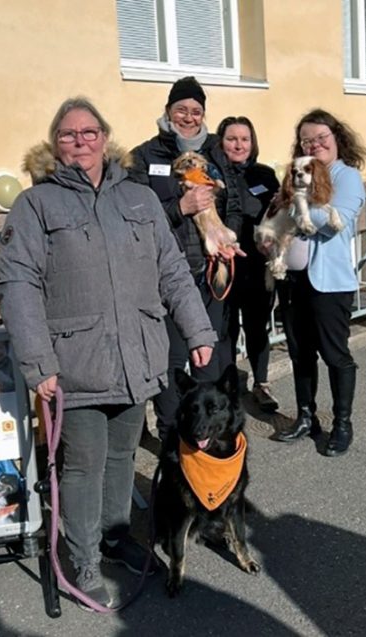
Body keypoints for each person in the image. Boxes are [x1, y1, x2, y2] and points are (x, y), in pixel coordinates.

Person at [0, 97, 216, 608]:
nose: (81, 142)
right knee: (83, 465)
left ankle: (117, 537)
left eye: (89, 132)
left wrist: (199, 332)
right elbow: (17, 283)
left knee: (121, 456)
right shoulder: (36, 205)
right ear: (55, 144)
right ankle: (85, 558)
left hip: (138, 354)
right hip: (76, 364)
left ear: (105, 138)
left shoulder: (136, 197)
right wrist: (38, 364)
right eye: (69, 135)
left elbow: (173, 271)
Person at [129, 76, 243, 442]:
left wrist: (228, 237)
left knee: (208, 354)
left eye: (196, 111)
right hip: (166, 275)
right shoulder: (145, 156)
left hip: (210, 272)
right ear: (168, 111)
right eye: (181, 110)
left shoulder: (217, 153)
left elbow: (235, 201)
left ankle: (207, 434)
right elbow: (134, 215)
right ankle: (171, 435)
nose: (189, 117)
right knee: (172, 362)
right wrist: (180, 207)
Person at [269, 108, 366, 455]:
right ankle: (305, 417)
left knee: (334, 353)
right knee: (300, 353)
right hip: (293, 281)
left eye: (320, 138)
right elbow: (274, 216)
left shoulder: (347, 177)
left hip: (329, 283)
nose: (314, 145)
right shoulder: (300, 174)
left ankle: (342, 423)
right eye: (306, 141)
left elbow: (335, 221)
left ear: (336, 139)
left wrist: (294, 207)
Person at [215, 116, 281, 412]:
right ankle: (228, 389)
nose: (239, 144)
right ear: (220, 142)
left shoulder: (264, 175)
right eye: (232, 138)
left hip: (257, 266)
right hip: (223, 266)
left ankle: (261, 384)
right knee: (224, 329)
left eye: (245, 139)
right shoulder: (212, 173)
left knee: (257, 327)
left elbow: (279, 214)